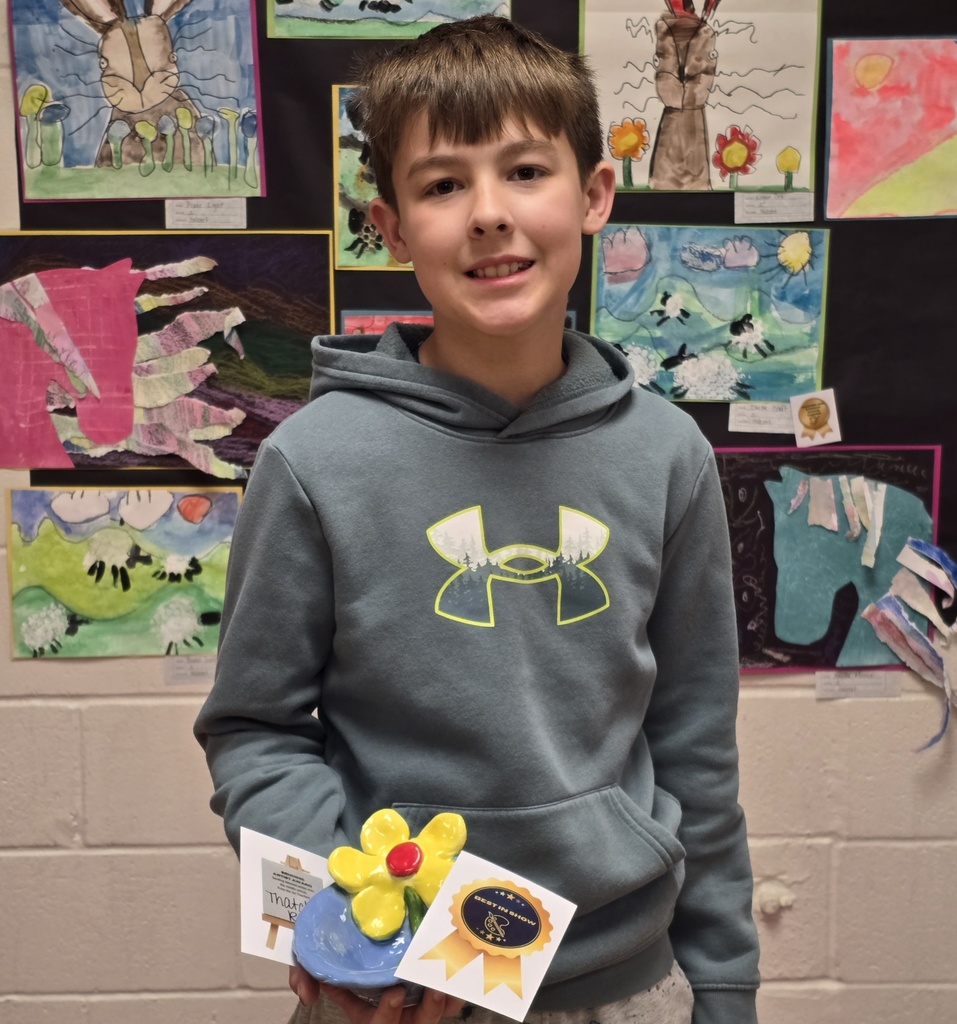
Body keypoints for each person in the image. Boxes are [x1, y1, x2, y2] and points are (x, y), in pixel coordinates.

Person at [194, 14, 760, 1024]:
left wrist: (725, 988)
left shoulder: (668, 457)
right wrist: (351, 911)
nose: (489, 215)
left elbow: (697, 752)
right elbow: (255, 731)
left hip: (625, 982)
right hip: (400, 987)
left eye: (526, 172)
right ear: (395, 227)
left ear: (594, 197)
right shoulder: (315, 461)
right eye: (445, 184)